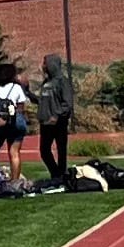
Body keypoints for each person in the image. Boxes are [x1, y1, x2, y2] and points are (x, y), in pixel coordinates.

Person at [0, 64, 33, 193]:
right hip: (16, 121)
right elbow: (21, 106)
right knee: (14, 152)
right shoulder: (16, 87)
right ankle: (15, 182)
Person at [36, 51, 79, 185]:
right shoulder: (46, 82)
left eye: (45, 63)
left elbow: (67, 103)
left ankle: (62, 175)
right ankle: (55, 173)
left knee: (61, 149)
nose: (43, 66)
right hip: (45, 123)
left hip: (58, 122)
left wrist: (57, 115)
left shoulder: (62, 82)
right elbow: (42, 101)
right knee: (44, 151)